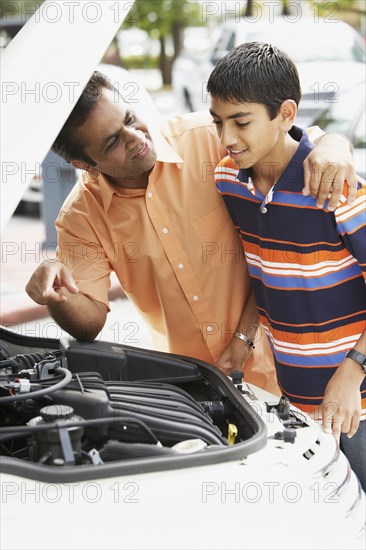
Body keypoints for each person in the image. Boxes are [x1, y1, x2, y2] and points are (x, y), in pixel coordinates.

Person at [25, 71, 357, 397]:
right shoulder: (81, 217)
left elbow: (295, 141)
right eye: (113, 141)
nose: (136, 137)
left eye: (130, 118)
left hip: (289, 368)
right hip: (192, 386)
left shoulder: (208, 138)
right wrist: (60, 297)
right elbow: (89, 323)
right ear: (85, 165)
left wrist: (335, 143)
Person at [209, 42, 365, 488]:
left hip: (354, 401)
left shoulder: (335, 187)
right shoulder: (229, 181)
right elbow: (269, 268)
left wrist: (352, 373)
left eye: (241, 122)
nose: (227, 138)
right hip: (296, 400)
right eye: (218, 123)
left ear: (286, 113)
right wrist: (242, 342)